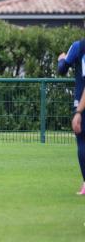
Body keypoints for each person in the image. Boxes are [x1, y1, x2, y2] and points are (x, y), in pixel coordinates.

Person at [58, 40, 85, 195]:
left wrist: (61, 59)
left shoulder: (78, 46)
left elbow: (62, 69)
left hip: (81, 102)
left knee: (82, 141)